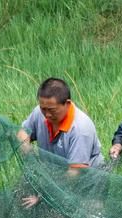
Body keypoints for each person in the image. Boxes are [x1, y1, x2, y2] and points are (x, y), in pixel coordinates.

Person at [17, 77, 104, 208]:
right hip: (55, 179)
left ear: (67, 104)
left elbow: (74, 174)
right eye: (43, 108)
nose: (46, 115)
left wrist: (42, 195)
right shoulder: (39, 112)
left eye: (51, 110)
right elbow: (22, 132)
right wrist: (26, 147)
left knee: (87, 216)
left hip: (87, 184)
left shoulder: (81, 129)